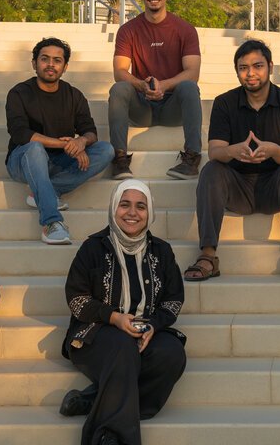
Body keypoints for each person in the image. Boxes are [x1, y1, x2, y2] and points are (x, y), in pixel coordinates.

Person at [60, 179, 186, 445]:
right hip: (96, 334)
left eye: (141, 206)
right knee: (122, 347)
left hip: (144, 331)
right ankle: (110, 435)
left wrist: (153, 325)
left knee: (171, 353)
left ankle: (94, 400)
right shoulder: (93, 248)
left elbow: (173, 300)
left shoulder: (162, 251)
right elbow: (77, 299)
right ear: (113, 208)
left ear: (149, 212)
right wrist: (114, 317)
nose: (132, 213)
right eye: (124, 204)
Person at [185, 39, 280, 282]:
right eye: (243, 68)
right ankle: (208, 255)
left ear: (270, 67)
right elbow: (215, 151)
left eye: (258, 66)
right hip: (237, 187)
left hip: (275, 187)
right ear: (237, 71)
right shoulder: (224, 102)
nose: (251, 73)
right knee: (211, 170)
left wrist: (273, 150)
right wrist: (233, 151)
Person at [5, 38, 115, 245]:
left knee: (106, 150)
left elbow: (90, 132)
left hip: (60, 162)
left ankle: (47, 190)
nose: (50, 64)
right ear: (34, 63)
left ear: (65, 67)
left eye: (57, 60)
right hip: (23, 162)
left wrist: (81, 141)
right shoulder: (19, 93)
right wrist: (66, 144)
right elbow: (21, 134)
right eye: (44, 59)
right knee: (35, 148)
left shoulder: (74, 95)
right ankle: (51, 222)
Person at [108, 0, 202, 180]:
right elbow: (119, 71)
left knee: (189, 87)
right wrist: (142, 85)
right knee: (119, 88)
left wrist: (164, 85)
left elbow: (193, 72)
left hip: (173, 108)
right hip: (142, 107)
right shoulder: (128, 30)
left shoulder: (185, 29)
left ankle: (192, 158)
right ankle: (119, 160)